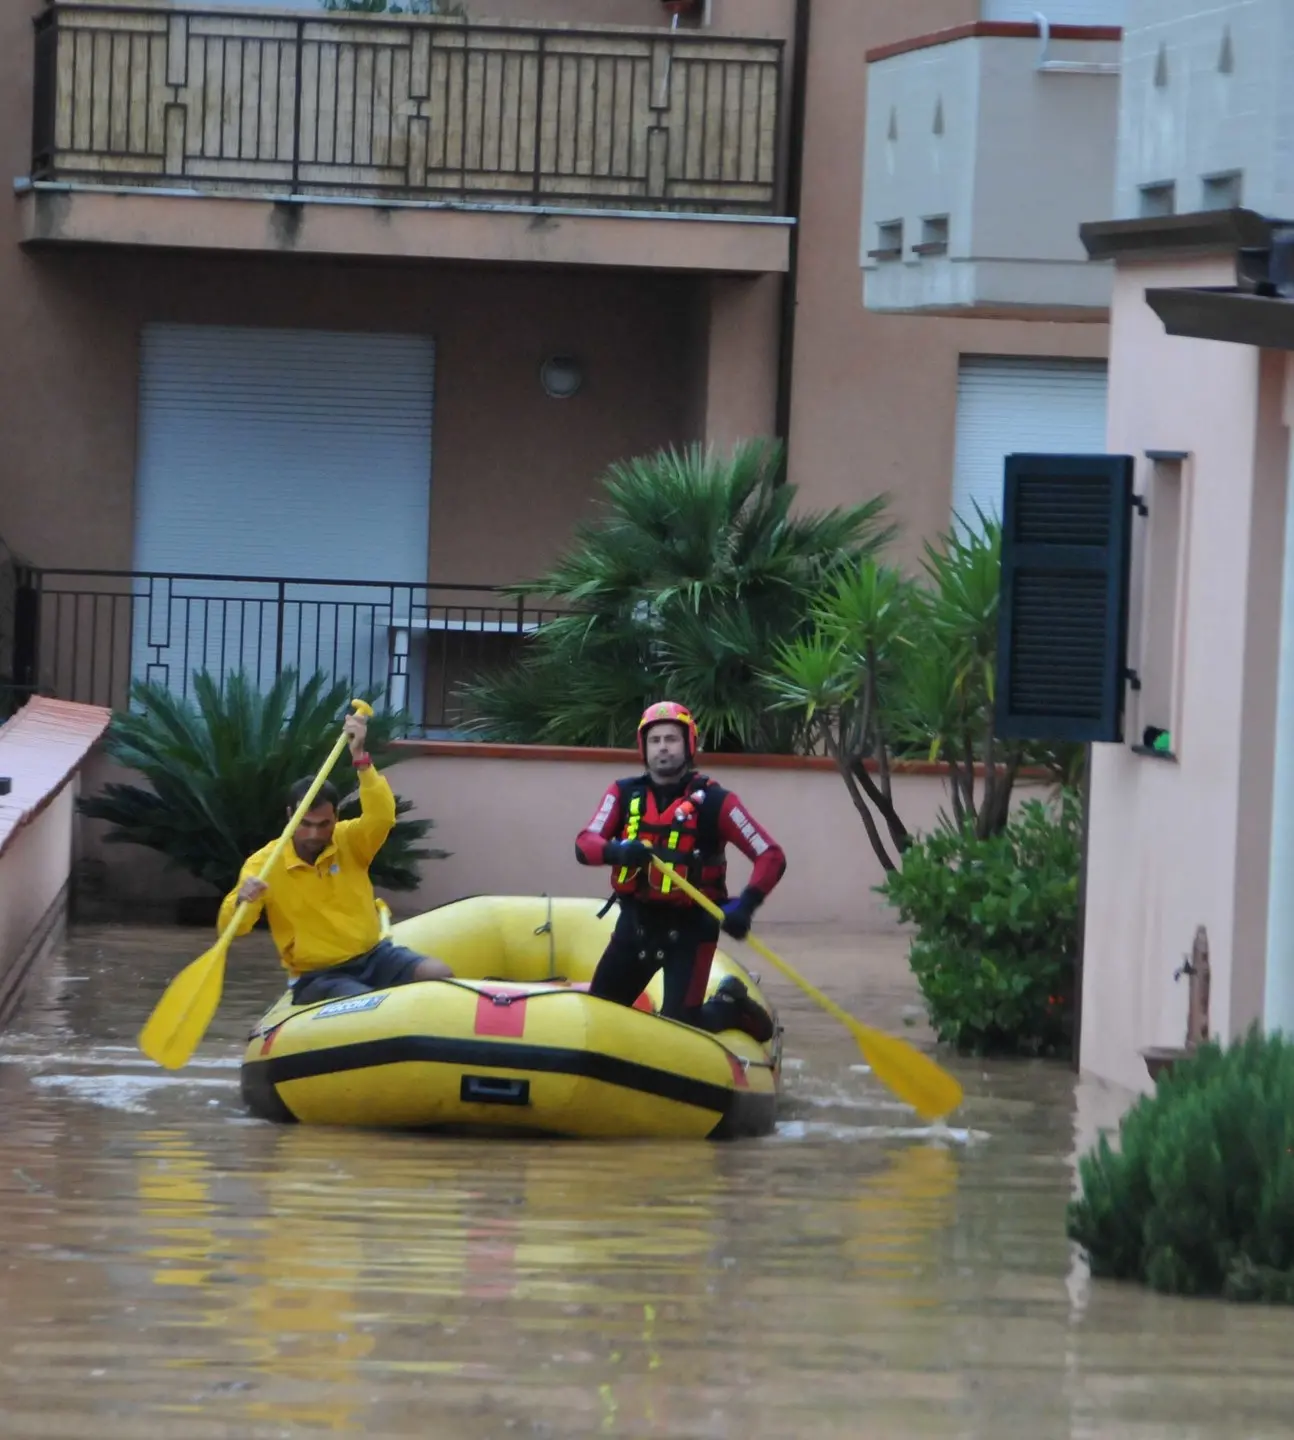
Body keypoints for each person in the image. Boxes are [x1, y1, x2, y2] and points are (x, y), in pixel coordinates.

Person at [574, 700, 786, 1042]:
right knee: (600, 1015)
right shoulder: (622, 793)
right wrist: (617, 851)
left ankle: (731, 1007)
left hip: (690, 931)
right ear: (644, 747)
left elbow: (771, 855)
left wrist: (745, 905)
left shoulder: (717, 802)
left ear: (689, 744)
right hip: (636, 926)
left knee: (680, 1030)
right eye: (655, 740)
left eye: (671, 739)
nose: (663, 748)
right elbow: (585, 844)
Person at [218, 710, 451, 1006]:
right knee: (364, 1003)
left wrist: (360, 756)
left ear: (336, 817)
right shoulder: (263, 864)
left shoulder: (350, 839)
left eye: (323, 824)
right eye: (305, 824)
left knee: (440, 973)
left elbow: (382, 815)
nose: (314, 834)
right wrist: (242, 899)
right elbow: (233, 928)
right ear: (290, 816)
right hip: (318, 974)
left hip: (374, 956)